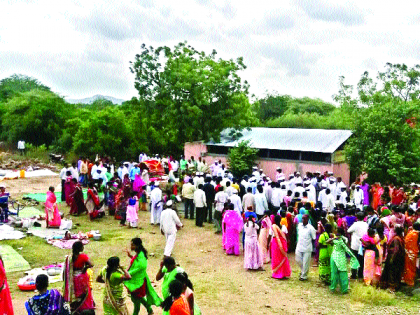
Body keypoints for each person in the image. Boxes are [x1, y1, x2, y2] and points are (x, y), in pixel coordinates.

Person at [124, 238, 161, 315]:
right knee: (138, 297)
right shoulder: (139, 253)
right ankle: (149, 310)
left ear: (137, 245)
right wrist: (131, 256)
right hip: (138, 280)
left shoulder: (141, 256)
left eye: (133, 245)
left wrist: (125, 273)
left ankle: (145, 311)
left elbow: (138, 267)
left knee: (136, 301)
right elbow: (136, 262)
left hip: (138, 282)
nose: (131, 246)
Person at [63, 241, 95, 314]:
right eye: (82, 246)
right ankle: (85, 307)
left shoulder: (69, 257)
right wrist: (85, 268)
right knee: (84, 293)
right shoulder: (83, 256)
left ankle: (75, 308)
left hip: (72, 278)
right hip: (81, 278)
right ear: (79, 248)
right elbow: (91, 264)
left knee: (76, 293)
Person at [330, 227, 360, 294]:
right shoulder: (341, 239)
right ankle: (343, 289)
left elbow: (330, 243)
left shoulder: (339, 239)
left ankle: (333, 288)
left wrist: (334, 239)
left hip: (335, 257)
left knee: (334, 273)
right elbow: (347, 248)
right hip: (340, 258)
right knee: (342, 273)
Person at [380, 225, 405, 292]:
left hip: (394, 257)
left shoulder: (396, 239)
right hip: (399, 257)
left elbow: (396, 249)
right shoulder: (401, 237)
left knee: (392, 272)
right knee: (397, 272)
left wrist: (392, 258)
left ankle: (392, 287)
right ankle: (396, 285)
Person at [347, 212, 368, 279]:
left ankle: (354, 274)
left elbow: (348, 231)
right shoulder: (366, 224)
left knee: (354, 259)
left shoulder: (355, 224)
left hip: (355, 244)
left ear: (357, 217)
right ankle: (360, 274)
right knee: (361, 260)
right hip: (363, 244)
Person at [269, 215, 291, 279]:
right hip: (283, 242)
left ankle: (277, 273)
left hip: (275, 243)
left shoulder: (273, 226)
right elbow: (285, 235)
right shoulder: (283, 227)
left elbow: (270, 235)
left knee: (276, 258)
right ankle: (283, 273)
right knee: (282, 257)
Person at [295, 214, 316, 281]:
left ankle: (304, 276)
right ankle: (303, 271)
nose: (303, 220)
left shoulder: (311, 228)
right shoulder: (299, 226)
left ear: (307, 219)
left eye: (304, 218)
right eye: (302, 218)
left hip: (307, 248)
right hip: (299, 246)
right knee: (298, 260)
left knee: (306, 262)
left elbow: (314, 238)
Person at [403, 222, 420, 286]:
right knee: (412, 267)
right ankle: (411, 280)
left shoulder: (411, 233)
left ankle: (408, 280)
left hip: (408, 252)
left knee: (408, 267)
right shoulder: (417, 234)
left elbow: (406, 242)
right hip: (414, 252)